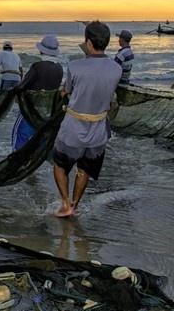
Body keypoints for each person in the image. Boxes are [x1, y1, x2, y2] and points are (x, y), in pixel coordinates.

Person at [53, 22, 122, 217]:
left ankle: (65, 203)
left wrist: (62, 92)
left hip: (73, 127)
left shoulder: (74, 66)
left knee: (59, 165)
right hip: (99, 129)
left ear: (88, 42)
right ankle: (74, 205)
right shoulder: (116, 68)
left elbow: (67, 91)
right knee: (84, 169)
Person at [11, 35, 64, 151]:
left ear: (41, 50)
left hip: (32, 110)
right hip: (48, 112)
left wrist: (14, 90)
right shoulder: (59, 68)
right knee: (41, 138)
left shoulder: (38, 67)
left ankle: (16, 162)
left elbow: (22, 86)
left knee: (19, 134)